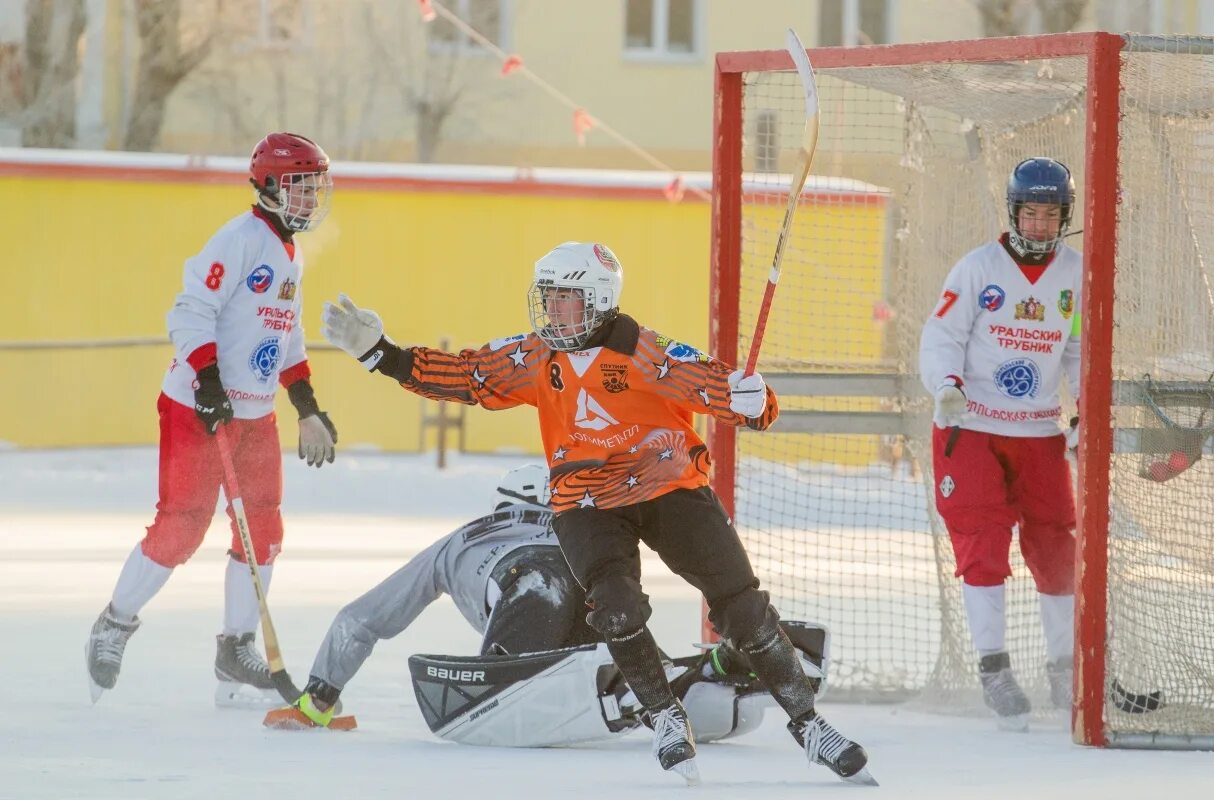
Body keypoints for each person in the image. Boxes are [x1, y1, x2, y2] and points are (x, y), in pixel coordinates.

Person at [317, 242, 874, 785]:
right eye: (547, 297)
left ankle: (810, 726)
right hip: (585, 500)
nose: (551, 310)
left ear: (599, 299)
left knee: (744, 608)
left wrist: (757, 402)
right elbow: (470, 374)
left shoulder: (651, 354)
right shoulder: (537, 355)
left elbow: (724, 391)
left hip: (668, 486)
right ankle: (663, 716)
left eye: (564, 298)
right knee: (615, 604)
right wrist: (382, 354)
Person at [262, 463, 827, 745]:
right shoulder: (582, 526)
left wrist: (320, 699)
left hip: (528, 586)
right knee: (630, 655)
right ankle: (718, 666)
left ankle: (621, 689)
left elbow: (362, 618)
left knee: (535, 622)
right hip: (600, 590)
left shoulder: (461, 540)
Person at [85, 132, 339, 708]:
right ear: (272, 187)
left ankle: (235, 650)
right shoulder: (240, 238)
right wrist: (206, 380)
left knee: (263, 530)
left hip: (254, 412)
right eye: (301, 186)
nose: (310, 199)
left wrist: (306, 407)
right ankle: (114, 624)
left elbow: (287, 333)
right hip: (196, 405)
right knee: (183, 525)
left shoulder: (290, 253)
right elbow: (191, 309)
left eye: (315, 187)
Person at [918, 157, 1082, 731]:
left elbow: (1078, 351)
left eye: (1051, 214)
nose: (1039, 225)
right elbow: (941, 335)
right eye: (1030, 213)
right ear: (1014, 212)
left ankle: (1067, 669)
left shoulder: (1075, 275)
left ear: (1065, 217)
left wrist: (1087, 409)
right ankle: (994, 668)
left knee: (1057, 548)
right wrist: (947, 385)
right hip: (974, 427)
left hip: (1038, 429)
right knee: (983, 543)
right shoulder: (977, 268)